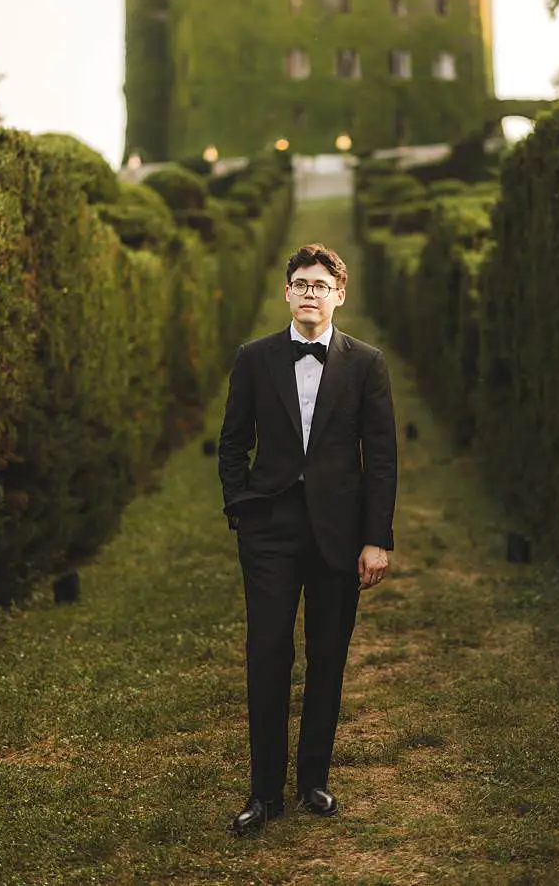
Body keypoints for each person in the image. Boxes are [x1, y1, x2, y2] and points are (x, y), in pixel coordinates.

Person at [216, 243, 397, 835]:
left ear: (339, 294)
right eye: (301, 284)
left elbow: (382, 458)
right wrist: (241, 507)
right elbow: (232, 442)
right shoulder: (254, 358)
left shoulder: (366, 363)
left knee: (328, 655)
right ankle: (263, 793)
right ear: (286, 293)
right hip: (269, 529)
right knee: (268, 652)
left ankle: (313, 780)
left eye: (321, 285)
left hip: (338, 534)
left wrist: (376, 538)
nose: (310, 293)